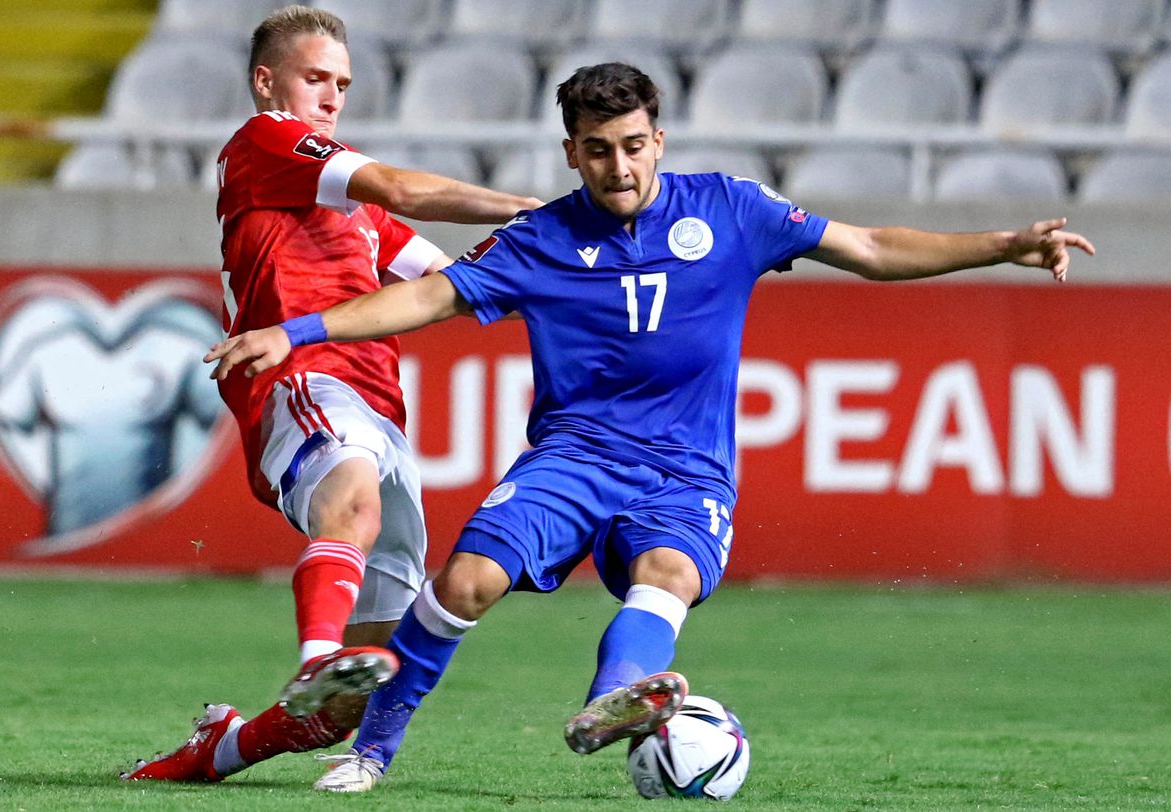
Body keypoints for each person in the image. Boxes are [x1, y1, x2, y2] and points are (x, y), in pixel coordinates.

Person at [205, 62, 1096, 793]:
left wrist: (1000, 244)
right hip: (574, 457)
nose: (619, 168)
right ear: (572, 153)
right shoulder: (541, 239)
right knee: (468, 580)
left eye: (634, 146)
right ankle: (371, 749)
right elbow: (426, 298)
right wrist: (297, 329)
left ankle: (613, 704)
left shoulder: (731, 209)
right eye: (597, 152)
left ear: (658, 140)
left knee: (666, 572)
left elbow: (867, 249)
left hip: (686, 469)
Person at [123, 5, 540, 783]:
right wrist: (534, 206)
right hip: (301, 378)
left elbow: (453, 283)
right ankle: (318, 658)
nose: (331, 94)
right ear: (267, 81)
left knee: (361, 682)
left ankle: (222, 747)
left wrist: (568, 262)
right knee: (351, 503)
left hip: (379, 404)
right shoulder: (266, 141)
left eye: (342, 83)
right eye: (316, 77)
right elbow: (403, 187)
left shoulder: (355, 211)